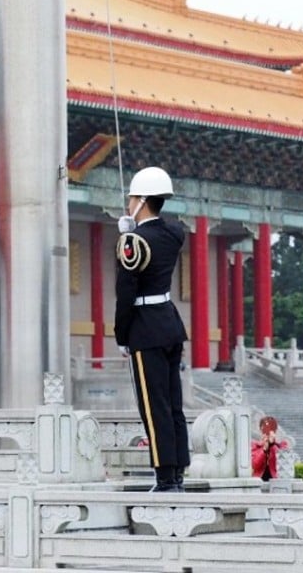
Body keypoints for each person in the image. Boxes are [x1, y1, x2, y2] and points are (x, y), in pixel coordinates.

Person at [113, 167, 190, 493]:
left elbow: (126, 293)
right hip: (170, 323)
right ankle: (178, 472)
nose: (128, 203)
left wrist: (121, 334)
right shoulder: (173, 234)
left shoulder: (132, 242)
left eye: (132, 198)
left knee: (153, 405)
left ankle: (163, 477)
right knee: (173, 404)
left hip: (146, 329)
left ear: (142, 200)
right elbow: (163, 233)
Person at [250, 415, 289, 480]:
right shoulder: (255, 446)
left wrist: (272, 445)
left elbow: (282, 465)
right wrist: (264, 449)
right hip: (259, 480)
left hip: (276, 481)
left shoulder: (282, 446)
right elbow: (254, 465)